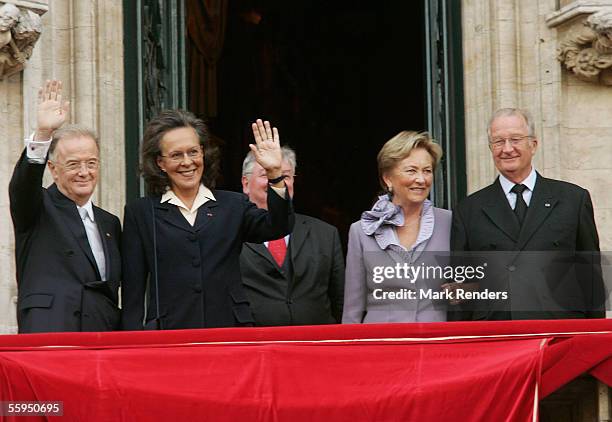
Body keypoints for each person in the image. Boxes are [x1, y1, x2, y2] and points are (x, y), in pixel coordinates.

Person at [120, 110, 294, 330]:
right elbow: (133, 292)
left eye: (193, 152)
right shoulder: (141, 213)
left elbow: (278, 226)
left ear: (203, 153)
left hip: (229, 332)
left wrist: (275, 174)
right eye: (176, 155)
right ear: (160, 162)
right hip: (169, 335)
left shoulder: (233, 205)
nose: (187, 162)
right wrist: (133, 347)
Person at [450, 108, 605, 320]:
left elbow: (591, 278)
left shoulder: (573, 199)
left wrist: (593, 340)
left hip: (558, 331)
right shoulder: (468, 210)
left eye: (515, 139)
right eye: (498, 141)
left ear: (533, 144)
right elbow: (459, 289)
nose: (507, 149)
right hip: (497, 335)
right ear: (490, 148)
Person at [9, 80, 122, 333]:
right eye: (73, 164)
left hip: (100, 336)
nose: (84, 172)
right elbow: (22, 186)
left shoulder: (110, 223)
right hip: (51, 333)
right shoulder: (37, 208)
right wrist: (42, 135)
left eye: (91, 163)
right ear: (53, 169)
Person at [342, 131, 452, 323]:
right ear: (388, 179)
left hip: (435, 344)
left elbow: (474, 282)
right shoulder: (361, 232)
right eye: (411, 170)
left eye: (427, 171)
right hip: (382, 346)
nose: (421, 179)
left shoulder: (449, 222)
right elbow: (353, 309)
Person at [240, 146, 344, 325]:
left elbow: (340, 300)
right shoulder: (229, 233)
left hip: (314, 345)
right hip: (253, 346)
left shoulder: (326, 234)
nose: (276, 180)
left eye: (284, 175)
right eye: (266, 174)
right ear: (245, 183)